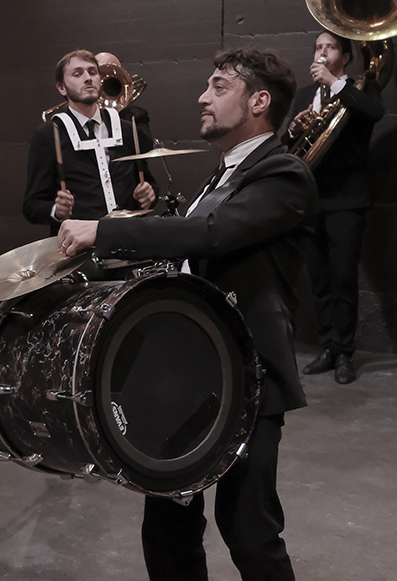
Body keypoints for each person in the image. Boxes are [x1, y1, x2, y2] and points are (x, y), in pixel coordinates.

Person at [58, 47, 318, 581]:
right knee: (169, 531)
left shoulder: (282, 173)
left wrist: (106, 229)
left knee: (249, 529)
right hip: (188, 377)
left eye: (219, 87)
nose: (203, 96)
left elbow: (213, 235)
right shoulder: (218, 176)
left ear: (259, 102)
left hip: (249, 376)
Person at [285, 31, 384, 384]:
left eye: (329, 48)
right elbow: (288, 147)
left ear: (345, 56)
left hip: (347, 200)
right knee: (319, 279)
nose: (321, 54)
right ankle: (327, 347)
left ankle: (344, 353)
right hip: (311, 200)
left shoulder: (359, 90)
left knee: (343, 277)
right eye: (317, 48)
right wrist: (293, 130)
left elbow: (375, 112)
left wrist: (336, 85)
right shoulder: (303, 97)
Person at [24, 50, 156, 234]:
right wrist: (55, 210)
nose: (88, 78)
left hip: (129, 239)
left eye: (93, 72)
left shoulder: (126, 129)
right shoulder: (48, 134)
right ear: (62, 87)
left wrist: (149, 195)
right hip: (79, 250)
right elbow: (31, 206)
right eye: (78, 74)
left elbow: (149, 183)